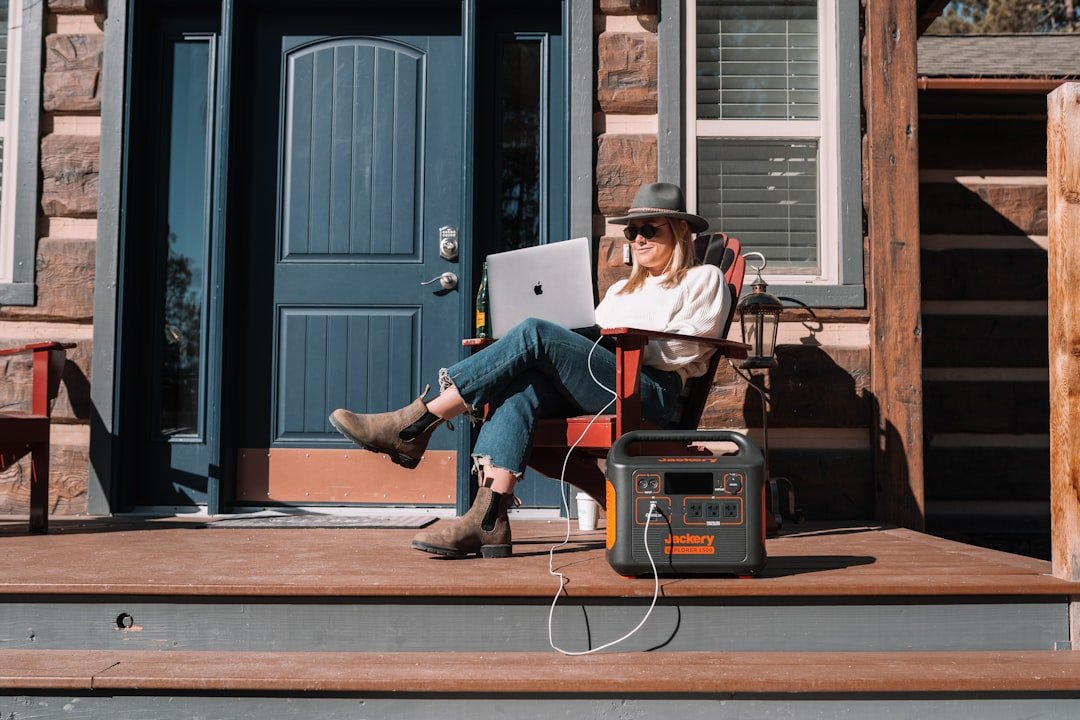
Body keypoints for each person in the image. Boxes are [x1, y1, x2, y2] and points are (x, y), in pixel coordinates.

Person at [329, 182, 730, 558]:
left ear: (679, 232)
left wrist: (622, 344)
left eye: (650, 229)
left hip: (648, 392)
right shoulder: (621, 290)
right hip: (604, 379)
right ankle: (488, 519)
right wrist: (585, 340)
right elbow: (592, 337)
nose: (638, 238)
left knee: (535, 332)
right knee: (525, 385)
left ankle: (418, 422)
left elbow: (687, 347)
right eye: (632, 231)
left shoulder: (702, 279)